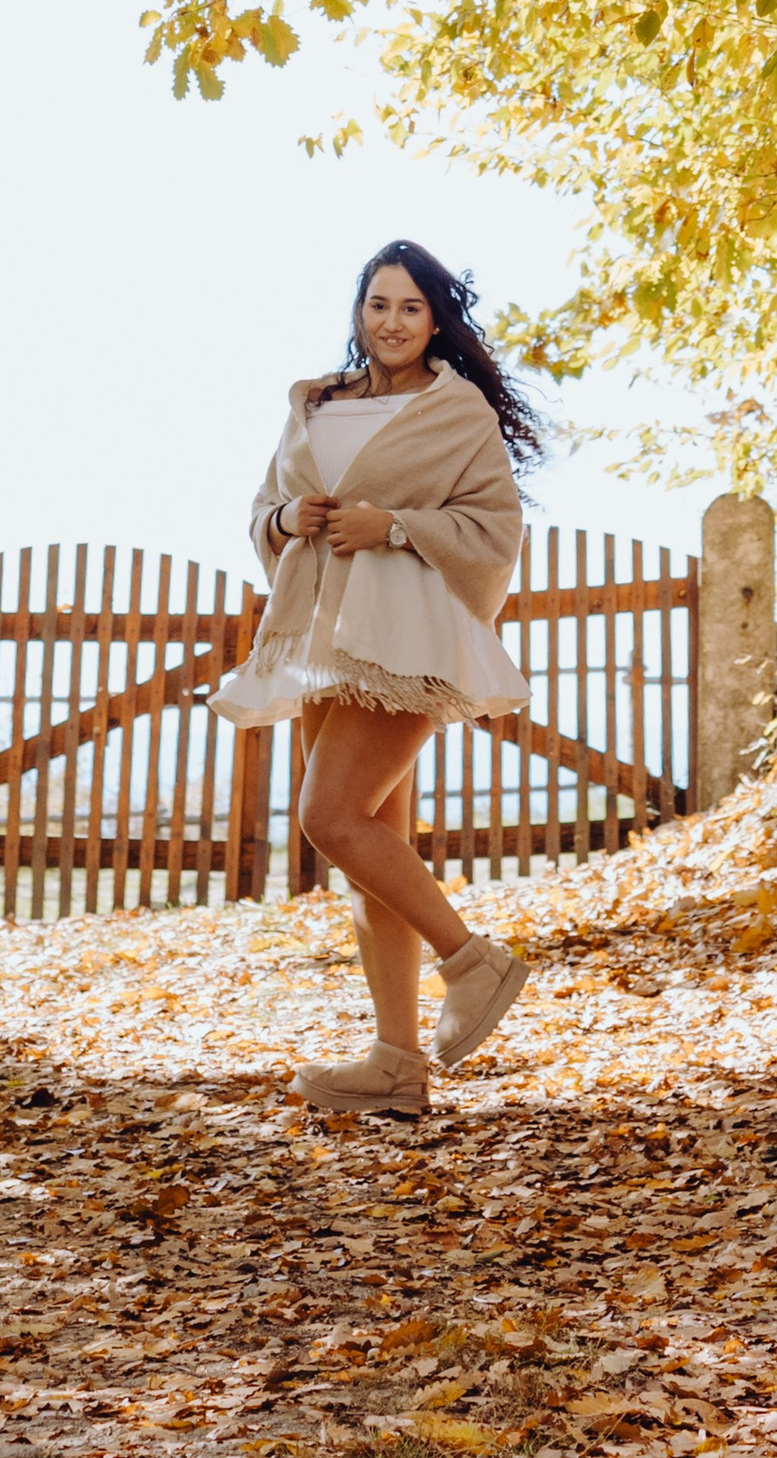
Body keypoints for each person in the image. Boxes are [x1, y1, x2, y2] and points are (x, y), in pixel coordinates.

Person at [212, 238, 540, 1116]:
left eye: (409, 308)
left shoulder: (455, 407)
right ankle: (397, 1062)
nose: (391, 323)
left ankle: (473, 963)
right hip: (323, 636)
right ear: (359, 311)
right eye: (377, 305)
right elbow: (259, 513)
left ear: (436, 319)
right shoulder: (318, 401)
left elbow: (493, 528)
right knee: (372, 848)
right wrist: (290, 516)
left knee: (329, 818)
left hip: (409, 640)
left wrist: (390, 525)